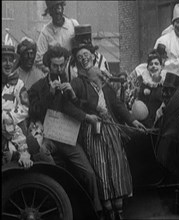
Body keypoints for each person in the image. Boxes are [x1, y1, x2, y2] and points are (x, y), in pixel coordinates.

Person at [66, 41, 146, 220]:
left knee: (116, 168)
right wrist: (86, 114)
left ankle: (119, 212)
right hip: (94, 132)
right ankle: (109, 213)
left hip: (111, 130)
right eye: (80, 58)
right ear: (77, 62)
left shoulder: (102, 78)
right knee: (102, 170)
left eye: (86, 55)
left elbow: (117, 105)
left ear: (93, 56)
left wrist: (132, 121)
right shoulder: (77, 83)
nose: (84, 59)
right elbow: (70, 106)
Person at [28, 45, 103, 216]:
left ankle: (97, 212)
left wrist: (74, 96)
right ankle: (57, 194)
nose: (60, 69)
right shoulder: (38, 87)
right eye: (55, 66)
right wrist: (50, 94)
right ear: (48, 65)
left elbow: (78, 107)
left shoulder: (71, 83)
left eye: (62, 65)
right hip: (48, 137)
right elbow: (34, 112)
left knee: (89, 174)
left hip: (68, 137)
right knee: (42, 152)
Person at [2, 45, 32, 168]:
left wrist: (8, 117)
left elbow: (25, 108)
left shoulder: (18, 84)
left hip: (14, 127)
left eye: (11, 60)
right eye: (4, 60)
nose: (8, 64)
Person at [129, 50, 165, 128]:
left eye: (156, 64)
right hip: (143, 121)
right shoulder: (143, 82)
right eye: (151, 64)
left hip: (159, 121)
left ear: (161, 67)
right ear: (148, 67)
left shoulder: (164, 84)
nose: (153, 66)